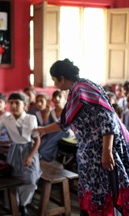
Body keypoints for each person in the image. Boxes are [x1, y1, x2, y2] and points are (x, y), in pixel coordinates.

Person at [34, 58, 129, 215]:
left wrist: (107, 151)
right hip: (90, 155)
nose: (54, 84)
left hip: (100, 153)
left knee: (104, 193)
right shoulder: (75, 92)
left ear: (62, 78)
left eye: (54, 80)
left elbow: (108, 118)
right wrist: (43, 130)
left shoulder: (83, 89)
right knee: (93, 194)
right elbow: (64, 122)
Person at [0, 92, 41, 216]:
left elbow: (37, 139)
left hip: (29, 151)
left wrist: (30, 156)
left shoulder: (31, 118)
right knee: (14, 178)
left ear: (24, 105)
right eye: (11, 103)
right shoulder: (6, 119)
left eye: (17, 103)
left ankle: (24, 204)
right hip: (14, 151)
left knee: (31, 179)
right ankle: (16, 205)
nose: (13, 105)